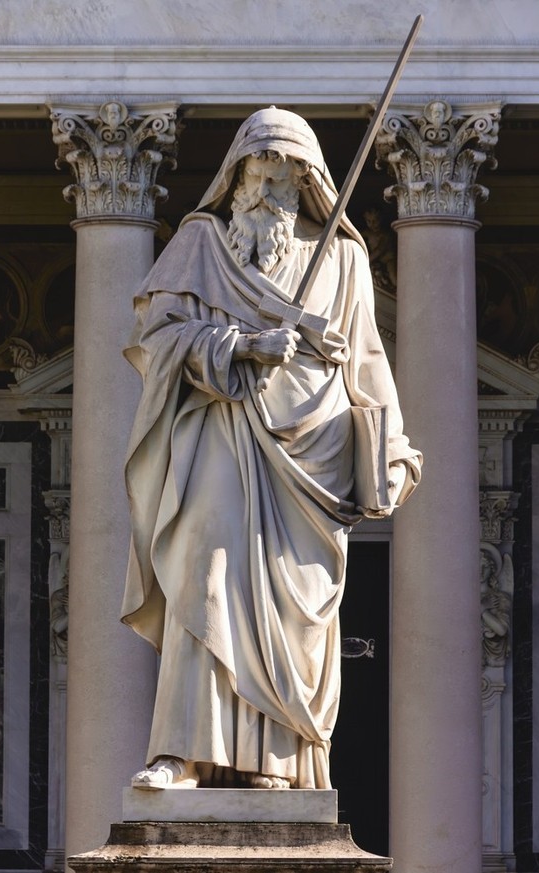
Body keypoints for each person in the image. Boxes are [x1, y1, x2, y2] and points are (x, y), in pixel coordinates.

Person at [121, 107, 422, 791]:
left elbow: (367, 362)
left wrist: (393, 446)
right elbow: (156, 339)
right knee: (203, 573)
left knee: (293, 611)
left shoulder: (342, 257)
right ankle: (182, 752)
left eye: (282, 177)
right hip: (222, 431)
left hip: (312, 455)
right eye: (256, 174)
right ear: (235, 176)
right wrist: (242, 346)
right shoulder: (200, 243)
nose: (266, 189)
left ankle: (276, 762)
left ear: (307, 181)